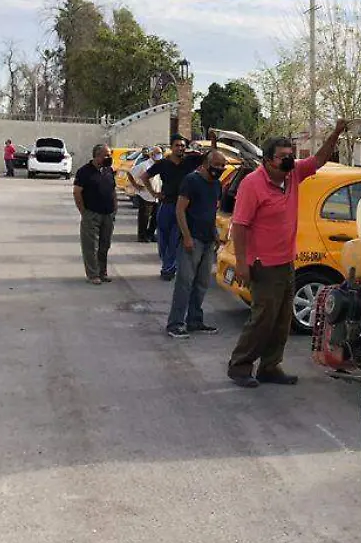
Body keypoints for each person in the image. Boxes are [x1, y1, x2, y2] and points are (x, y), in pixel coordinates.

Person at [225, 121, 348, 388]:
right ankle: (240, 366)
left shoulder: (293, 175)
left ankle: (270, 367)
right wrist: (243, 263)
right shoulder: (252, 184)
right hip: (262, 264)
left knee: (282, 321)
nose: (290, 160)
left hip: (285, 262)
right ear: (268, 161)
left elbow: (319, 159)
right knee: (262, 320)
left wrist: (336, 133)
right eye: (283, 157)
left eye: (291, 155)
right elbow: (241, 226)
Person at [165, 150, 227, 338]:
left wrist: (215, 234)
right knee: (185, 282)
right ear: (206, 163)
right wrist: (187, 236)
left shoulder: (216, 184)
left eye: (222, 166)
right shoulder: (191, 181)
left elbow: (211, 211)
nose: (220, 169)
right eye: (217, 165)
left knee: (201, 283)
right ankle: (175, 324)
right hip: (193, 240)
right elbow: (180, 210)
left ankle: (194, 320)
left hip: (208, 240)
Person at [141, 135, 204, 280]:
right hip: (167, 205)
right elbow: (145, 176)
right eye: (177, 145)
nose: (180, 148)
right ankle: (167, 264)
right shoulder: (163, 163)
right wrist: (154, 193)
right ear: (171, 147)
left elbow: (210, 156)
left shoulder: (190, 161)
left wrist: (211, 141)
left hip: (183, 207)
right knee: (163, 237)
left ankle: (168, 269)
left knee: (175, 239)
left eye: (182, 145)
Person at [73, 144, 118, 286]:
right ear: (97, 155)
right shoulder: (84, 172)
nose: (109, 158)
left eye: (110, 154)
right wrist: (84, 212)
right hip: (92, 214)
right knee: (91, 246)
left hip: (108, 214)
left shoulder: (109, 170)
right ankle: (93, 274)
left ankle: (102, 272)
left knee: (105, 245)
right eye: (106, 155)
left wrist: (115, 207)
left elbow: (113, 190)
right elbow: (77, 192)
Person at [130, 146, 162, 243]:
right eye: (157, 153)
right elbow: (130, 174)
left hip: (157, 195)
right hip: (145, 195)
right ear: (151, 154)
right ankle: (142, 236)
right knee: (144, 217)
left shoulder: (160, 165)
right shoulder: (144, 165)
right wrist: (136, 185)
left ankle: (150, 234)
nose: (159, 155)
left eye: (160, 153)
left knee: (156, 217)